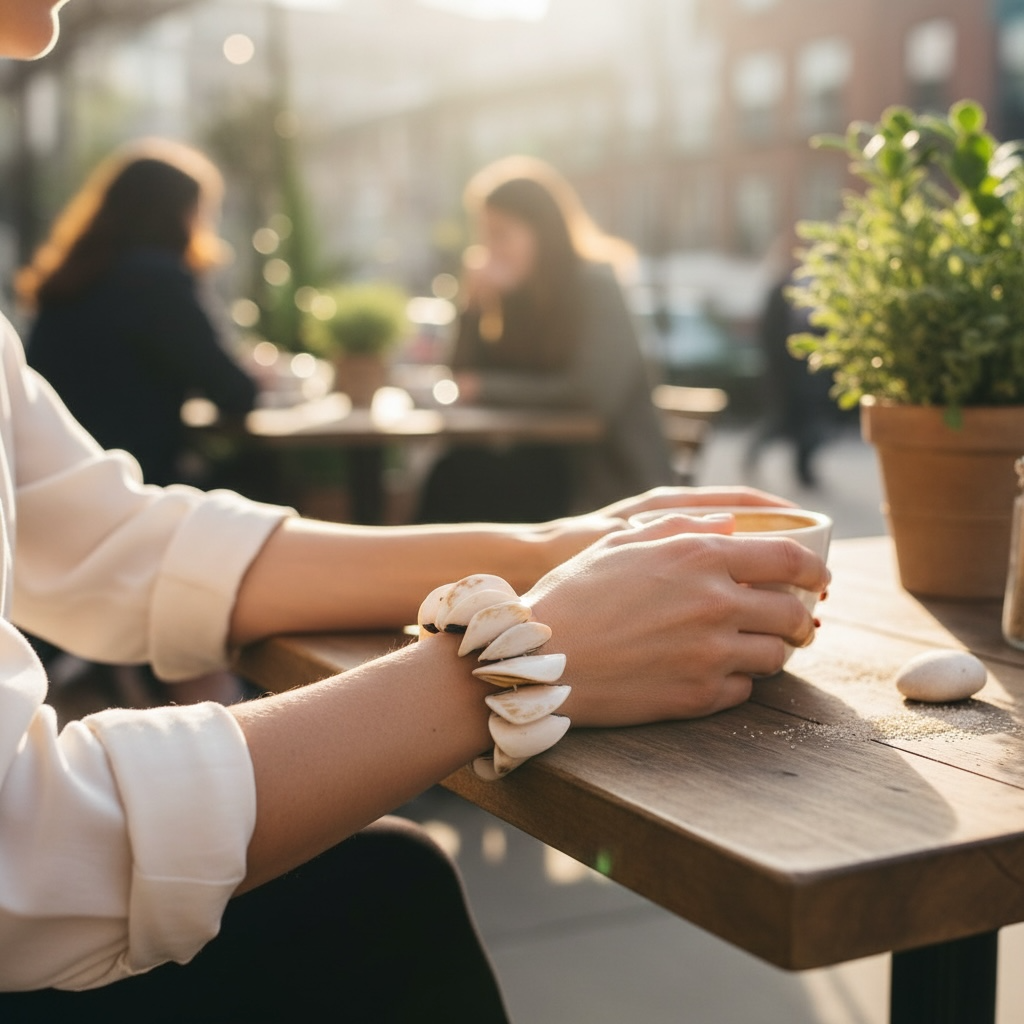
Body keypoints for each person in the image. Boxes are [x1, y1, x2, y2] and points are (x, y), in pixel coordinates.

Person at [0, 5, 829, 1021]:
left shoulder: (586, 282)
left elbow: (119, 542)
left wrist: (551, 549)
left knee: (388, 879)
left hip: (557, 473)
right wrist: (520, 660)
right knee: (387, 899)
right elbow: (26, 851)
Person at [418, 156, 673, 523]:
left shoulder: (595, 287)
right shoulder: (515, 296)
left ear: (542, 232)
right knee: (454, 472)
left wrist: (486, 388)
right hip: (542, 468)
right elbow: (462, 378)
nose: (489, 249)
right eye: (485, 236)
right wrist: (473, 307)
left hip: (601, 479)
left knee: (468, 480)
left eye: (501, 234)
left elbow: (590, 393)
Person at [20, 139, 257, 488]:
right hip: (132, 481)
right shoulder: (156, 281)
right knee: (259, 477)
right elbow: (234, 392)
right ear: (180, 214)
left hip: (51, 481)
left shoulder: (72, 277)